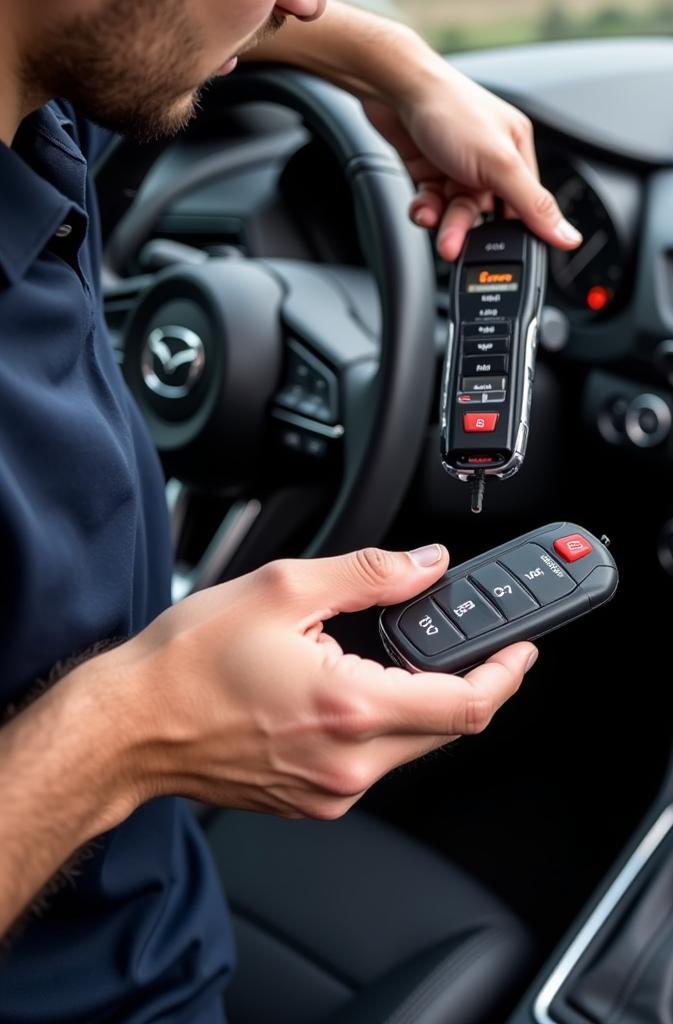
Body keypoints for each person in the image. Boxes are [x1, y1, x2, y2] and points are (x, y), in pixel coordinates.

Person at [0, 1, 583, 1020]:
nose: (306, 0)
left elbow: (141, 25)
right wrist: (129, 731)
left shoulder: (33, 110)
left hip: (160, 905)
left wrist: (400, 69)